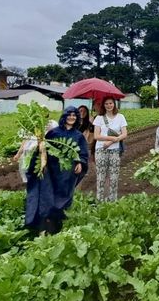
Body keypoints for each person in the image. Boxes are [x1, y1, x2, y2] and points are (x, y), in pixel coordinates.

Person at [25, 106, 89, 235]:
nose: (71, 117)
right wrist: (40, 150)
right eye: (69, 115)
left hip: (67, 173)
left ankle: (57, 224)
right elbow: (44, 149)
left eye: (74, 115)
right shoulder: (54, 132)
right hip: (52, 171)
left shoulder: (79, 136)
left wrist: (80, 163)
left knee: (64, 196)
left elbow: (83, 153)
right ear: (64, 116)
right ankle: (45, 224)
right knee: (48, 195)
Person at [93, 96, 128, 202]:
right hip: (100, 149)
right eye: (106, 104)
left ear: (114, 104)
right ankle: (100, 200)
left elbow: (125, 134)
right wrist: (111, 138)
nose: (109, 105)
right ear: (103, 105)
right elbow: (96, 136)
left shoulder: (120, 117)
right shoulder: (99, 118)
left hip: (115, 150)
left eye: (111, 103)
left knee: (114, 176)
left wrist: (111, 142)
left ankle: (112, 200)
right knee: (101, 176)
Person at [14, 119, 58, 184]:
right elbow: (25, 141)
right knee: (29, 170)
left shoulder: (52, 124)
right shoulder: (32, 127)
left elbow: (55, 136)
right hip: (30, 154)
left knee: (45, 172)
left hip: (46, 153)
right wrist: (18, 154)